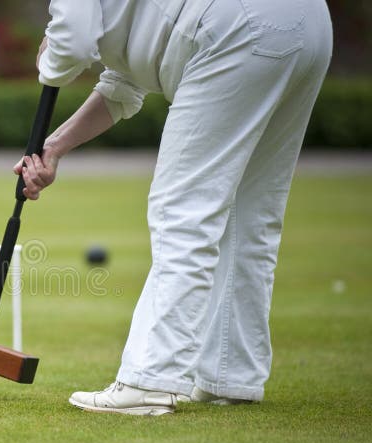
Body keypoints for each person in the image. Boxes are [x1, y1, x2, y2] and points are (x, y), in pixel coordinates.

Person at [17, 0, 333, 415]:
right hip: (307, 24)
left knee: (182, 212)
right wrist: (55, 147)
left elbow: (72, 43)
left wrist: (50, 59)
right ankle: (231, 374)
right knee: (250, 214)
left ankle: (150, 379)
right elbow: (122, 89)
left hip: (234, 25)